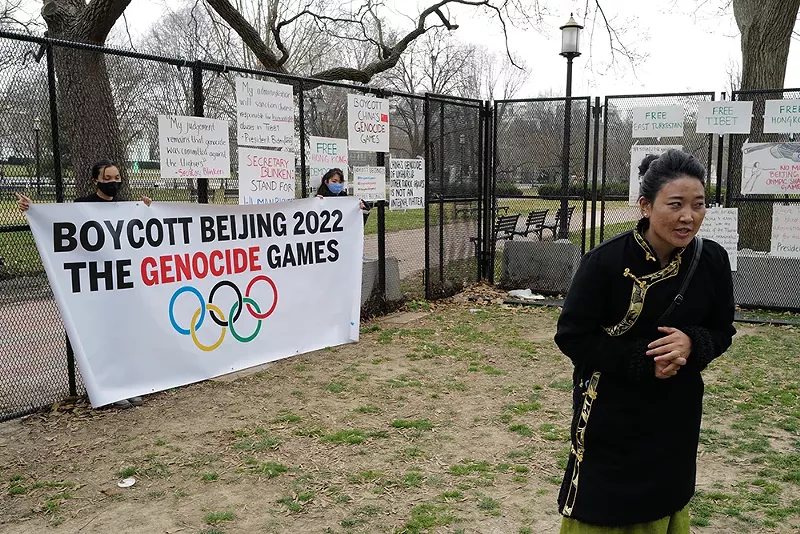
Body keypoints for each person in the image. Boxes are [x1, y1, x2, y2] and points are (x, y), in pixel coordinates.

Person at [554, 149, 735, 533]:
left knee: (665, 496)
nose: (688, 216)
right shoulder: (604, 262)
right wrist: (641, 359)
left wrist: (691, 343)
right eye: (675, 204)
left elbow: (723, 331)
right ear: (645, 206)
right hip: (611, 409)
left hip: (676, 409)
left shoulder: (712, 261)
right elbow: (572, 335)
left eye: (699, 205)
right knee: (603, 506)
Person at [16, 159, 152, 410]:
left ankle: (129, 384)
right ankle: (107, 389)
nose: (113, 183)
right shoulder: (81, 206)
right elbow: (57, 222)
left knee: (126, 335)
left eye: (116, 177)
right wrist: (33, 209)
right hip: (95, 284)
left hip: (123, 284)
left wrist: (147, 210)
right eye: (107, 178)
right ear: (95, 181)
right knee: (102, 337)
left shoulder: (127, 206)